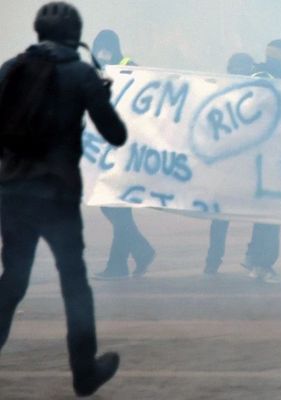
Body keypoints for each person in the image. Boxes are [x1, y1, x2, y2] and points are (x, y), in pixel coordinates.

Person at [0, 2, 125, 396]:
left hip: (13, 193)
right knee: (74, 283)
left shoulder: (11, 69)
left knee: (13, 281)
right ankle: (84, 372)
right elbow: (115, 134)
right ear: (76, 34)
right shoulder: (81, 73)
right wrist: (100, 96)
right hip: (57, 197)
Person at [91, 29, 155, 280]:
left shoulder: (129, 68)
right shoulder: (95, 71)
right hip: (105, 151)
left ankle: (121, 264)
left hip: (126, 151)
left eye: (107, 46)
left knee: (116, 206)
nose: (103, 51)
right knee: (114, 207)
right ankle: (139, 252)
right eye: (99, 46)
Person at [242, 39, 281, 282]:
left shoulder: (262, 75)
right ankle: (263, 264)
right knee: (271, 213)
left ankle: (255, 259)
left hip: (264, 156)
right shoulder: (264, 78)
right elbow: (263, 108)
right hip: (264, 158)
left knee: (264, 213)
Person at [204, 52, 255, 275]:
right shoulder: (221, 93)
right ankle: (213, 262)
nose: (239, 71)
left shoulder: (258, 92)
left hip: (248, 166)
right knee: (220, 219)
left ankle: (251, 257)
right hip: (229, 167)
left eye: (243, 67)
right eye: (235, 67)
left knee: (262, 213)